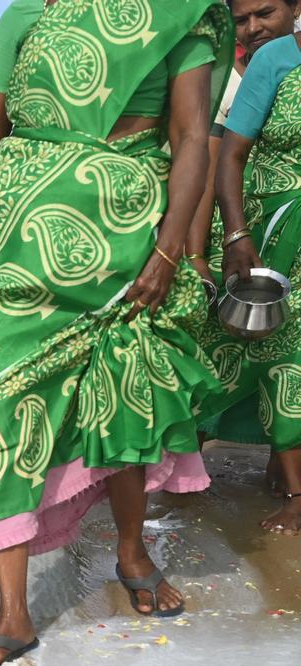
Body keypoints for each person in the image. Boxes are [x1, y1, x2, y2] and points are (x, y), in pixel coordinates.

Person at [0, 0, 232, 666]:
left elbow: (193, 140)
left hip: (122, 235)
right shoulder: (25, 16)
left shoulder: (178, 14)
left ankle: (132, 552)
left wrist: (167, 252)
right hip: (8, 241)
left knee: (119, 394)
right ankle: (13, 609)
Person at [188, 0, 299, 495]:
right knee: (238, 346)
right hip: (259, 233)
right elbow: (219, 162)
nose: (252, 27)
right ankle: (183, 468)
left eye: (266, 12)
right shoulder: (260, 66)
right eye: (242, 17)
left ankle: (286, 475)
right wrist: (218, 242)